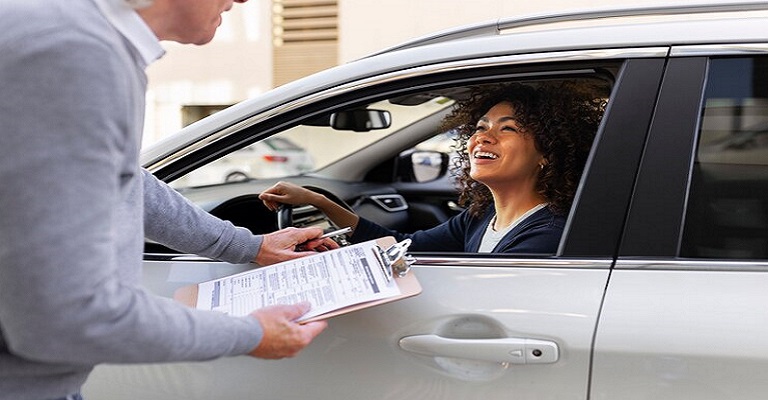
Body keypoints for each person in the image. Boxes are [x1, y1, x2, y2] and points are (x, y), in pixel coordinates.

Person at [0, 0, 335, 399]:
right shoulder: (75, 54)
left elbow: (125, 182)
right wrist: (252, 334)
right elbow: (70, 317)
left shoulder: (72, 36)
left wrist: (249, 246)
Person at [260, 82, 605, 253]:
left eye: (507, 128)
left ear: (548, 153)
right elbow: (403, 245)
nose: (483, 138)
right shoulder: (481, 217)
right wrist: (319, 202)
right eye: (481, 127)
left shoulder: (545, 234)